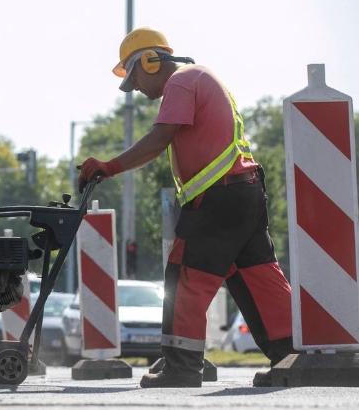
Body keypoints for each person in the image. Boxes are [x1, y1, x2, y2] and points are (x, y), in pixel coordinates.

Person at [78, 28, 293, 388]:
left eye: (135, 79)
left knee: (185, 276)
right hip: (244, 193)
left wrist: (108, 167)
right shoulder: (202, 78)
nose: (137, 91)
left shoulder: (181, 81)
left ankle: (181, 366)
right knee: (257, 277)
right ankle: (291, 355)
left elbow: (159, 139)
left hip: (218, 196)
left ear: (151, 60)